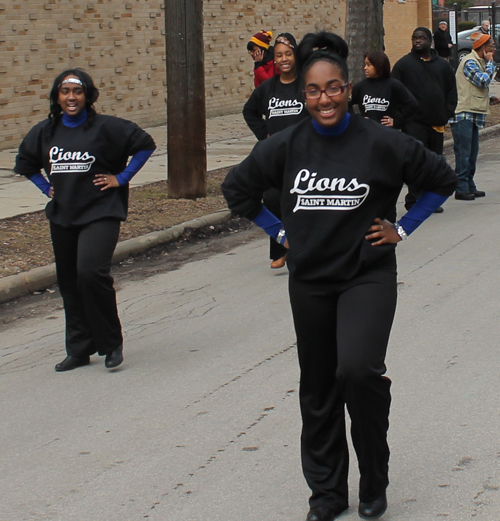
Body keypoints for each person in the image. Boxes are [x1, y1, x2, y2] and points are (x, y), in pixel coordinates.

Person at [222, 31, 457, 521]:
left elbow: (441, 180)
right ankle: (326, 493)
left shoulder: (381, 142)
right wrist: (279, 232)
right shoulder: (286, 145)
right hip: (309, 280)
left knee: (357, 372)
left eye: (332, 88)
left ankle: (374, 479)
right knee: (319, 385)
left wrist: (404, 229)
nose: (324, 99)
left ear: (347, 89)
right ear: (303, 95)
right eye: (313, 90)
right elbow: (237, 189)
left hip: (366, 275)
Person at [14, 69, 156, 372]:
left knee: (91, 273)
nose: (70, 97)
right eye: (64, 92)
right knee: (69, 282)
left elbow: (145, 144)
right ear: (56, 97)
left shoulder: (106, 128)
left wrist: (122, 177)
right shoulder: (46, 131)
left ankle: (111, 343)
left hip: (101, 212)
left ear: (87, 96)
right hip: (64, 215)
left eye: (77, 91)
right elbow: (24, 163)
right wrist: (46, 188)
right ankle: (79, 348)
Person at [243, 33, 309, 268]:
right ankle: (282, 248)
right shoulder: (268, 88)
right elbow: (249, 111)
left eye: (288, 54)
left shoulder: (305, 85)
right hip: (275, 157)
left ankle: (304, 248)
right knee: (271, 199)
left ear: (295, 56)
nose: (284, 59)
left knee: (300, 201)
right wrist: (264, 134)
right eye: (279, 55)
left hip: (304, 156)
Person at [392, 26, 457, 213]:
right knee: (416, 163)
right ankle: (414, 201)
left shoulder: (443, 66)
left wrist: (447, 112)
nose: (417, 41)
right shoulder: (403, 65)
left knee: (434, 162)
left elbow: (451, 91)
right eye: (414, 38)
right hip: (414, 124)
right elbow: (394, 93)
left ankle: (430, 201)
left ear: (430, 41)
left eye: (421, 37)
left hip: (437, 122)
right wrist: (401, 119)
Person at [450, 32, 499, 200]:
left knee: (472, 152)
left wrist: (491, 99)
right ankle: (461, 187)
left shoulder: (478, 62)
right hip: (463, 114)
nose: (494, 50)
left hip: (473, 113)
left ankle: (469, 184)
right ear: (484, 48)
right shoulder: (469, 62)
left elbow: (475, 89)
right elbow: (482, 81)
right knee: (463, 153)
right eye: (492, 47)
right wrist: (491, 63)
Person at [350, 50, 418, 129]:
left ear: (379, 65)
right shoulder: (360, 86)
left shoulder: (394, 85)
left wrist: (397, 121)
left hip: (388, 134)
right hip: (367, 132)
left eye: (369, 65)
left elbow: (412, 104)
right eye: (365, 65)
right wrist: (357, 119)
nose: (365, 68)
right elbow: (345, 104)